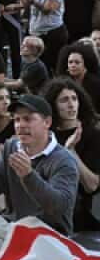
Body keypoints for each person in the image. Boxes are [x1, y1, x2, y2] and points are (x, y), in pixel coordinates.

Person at [0, 93, 79, 234]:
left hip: (50, 237)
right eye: (16, 119)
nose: (20, 125)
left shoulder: (64, 160)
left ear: (47, 122)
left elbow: (59, 207)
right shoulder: (11, 147)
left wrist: (29, 176)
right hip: (13, 228)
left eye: (28, 119)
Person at [42, 78, 100, 231]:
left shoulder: (93, 135)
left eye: (74, 99)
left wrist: (70, 151)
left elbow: (92, 185)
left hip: (79, 210)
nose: (71, 104)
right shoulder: (46, 135)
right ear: (53, 105)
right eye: (64, 100)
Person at [14, 0, 66, 79]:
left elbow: (47, 10)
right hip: (37, 33)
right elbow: (28, 5)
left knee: (49, 67)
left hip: (51, 34)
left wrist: (32, 0)